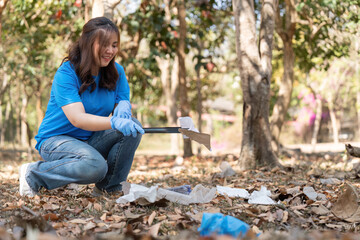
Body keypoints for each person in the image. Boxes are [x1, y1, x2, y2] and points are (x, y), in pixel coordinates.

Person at [18, 17, 144, 197]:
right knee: (96, 166)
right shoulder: (67, 73)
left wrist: (123, 106)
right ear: (88, 43)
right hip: (55, 140)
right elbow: (78, 118)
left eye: (114, 45)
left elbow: (122, 103)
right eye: (104, 45)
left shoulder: (117, 72)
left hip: (90, 141)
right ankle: (33, 174)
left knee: (134, 127)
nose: (110, 51)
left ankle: (108, 188)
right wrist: (114, 122)